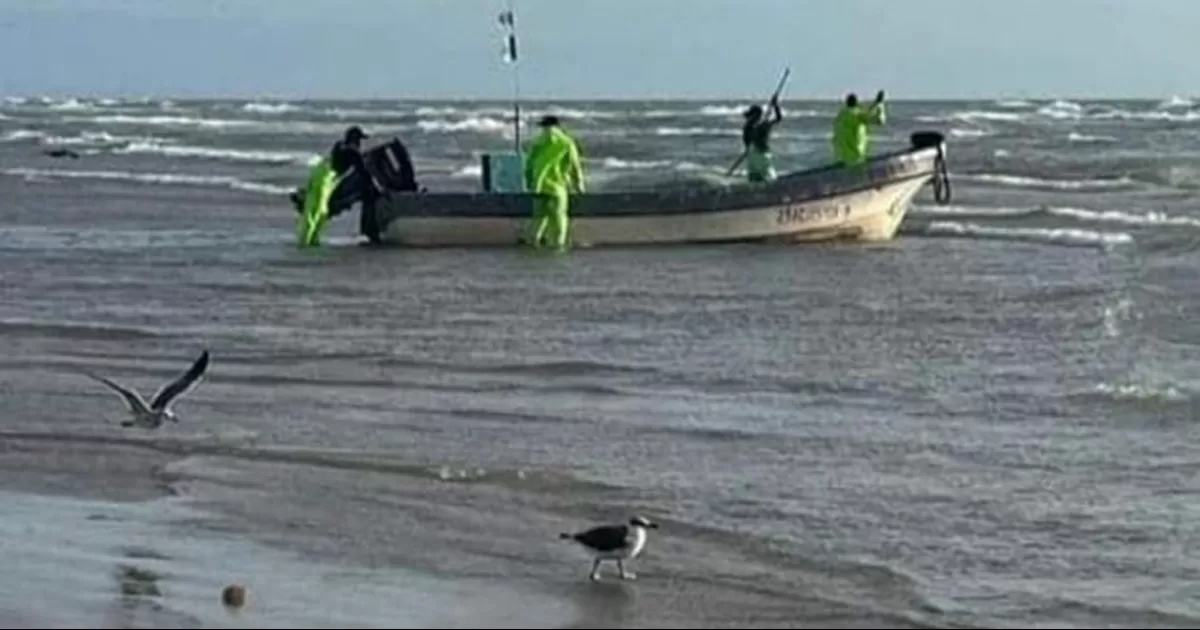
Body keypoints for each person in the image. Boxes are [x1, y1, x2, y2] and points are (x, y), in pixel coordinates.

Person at [523, 115, 585, 251]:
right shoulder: (566, 142)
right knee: (559, 217)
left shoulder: (536, 142)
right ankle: (558, 245)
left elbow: (528, 165)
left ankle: (534, 243)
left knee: (539, 217)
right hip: (557, 187)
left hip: (538, 187)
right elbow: (575, 166)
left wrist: (529, 183)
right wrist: (579, 186)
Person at [831, 90, 886, 169]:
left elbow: (866, 112)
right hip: (855, 158)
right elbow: (880, 121)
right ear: (857, 104)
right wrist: (880, 105)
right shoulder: (857, 116)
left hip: (840, 157)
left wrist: (875, 103)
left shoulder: (841, 115)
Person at [740, 96, 784, 182]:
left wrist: (775, 105)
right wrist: (775, 105)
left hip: (752, 156)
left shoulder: (749, 127)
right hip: (762, 155)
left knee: (754, 178)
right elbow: (778, 118)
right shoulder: (763, 124)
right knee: (770, 178)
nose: (748, 118)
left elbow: (747, 141)